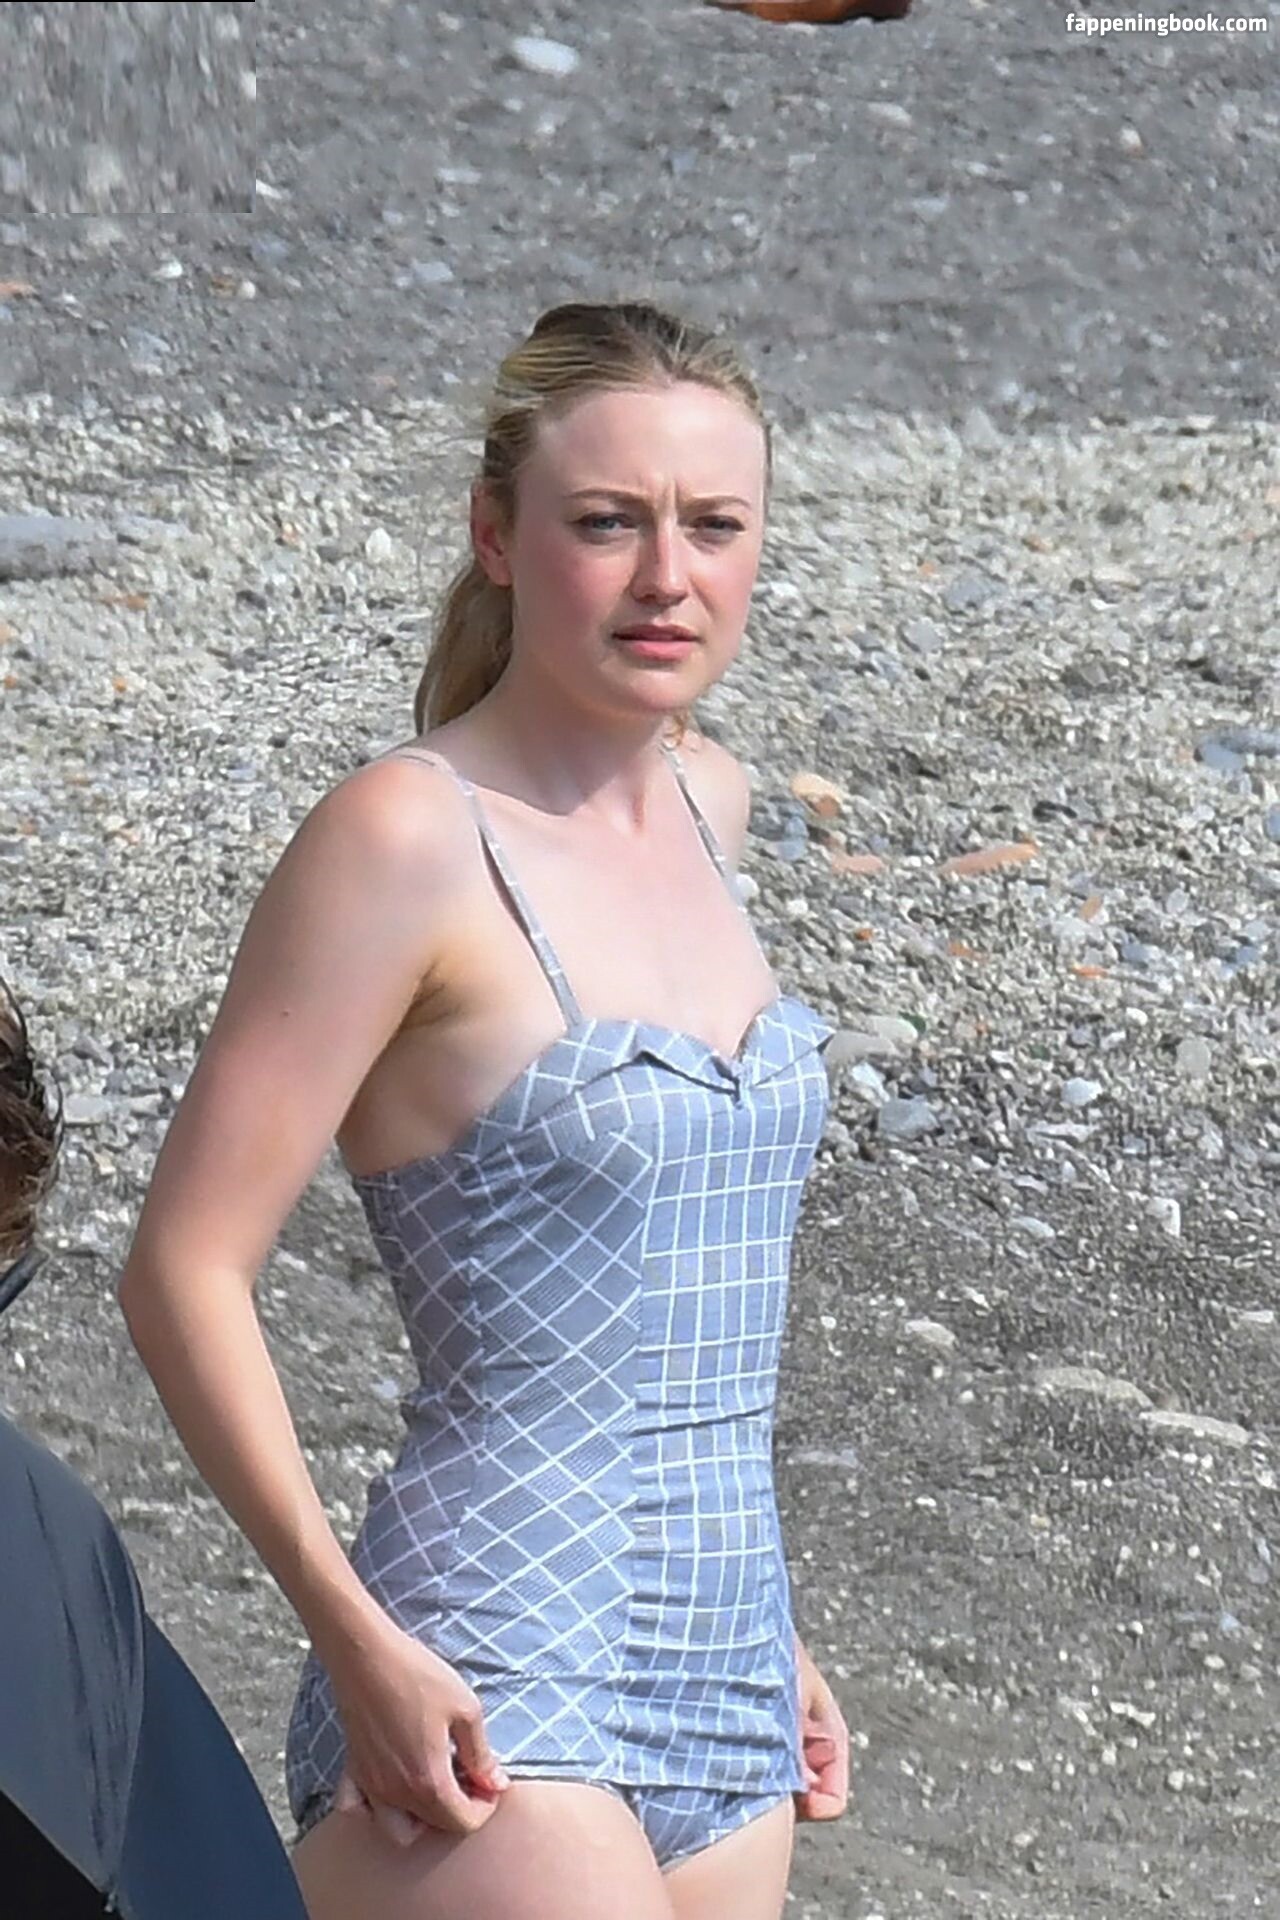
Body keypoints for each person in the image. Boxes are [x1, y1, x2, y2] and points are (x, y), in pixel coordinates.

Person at [117, 299, 850, 1920]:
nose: (668, 577)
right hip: (488, 1654)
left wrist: (769, 1626)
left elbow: (681, 1295)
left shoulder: (716, 805)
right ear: (498, 538)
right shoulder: (405, 838)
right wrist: (349, 1633)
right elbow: (180, 1268)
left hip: (733, 1661)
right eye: (608, 522)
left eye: (714, 526)